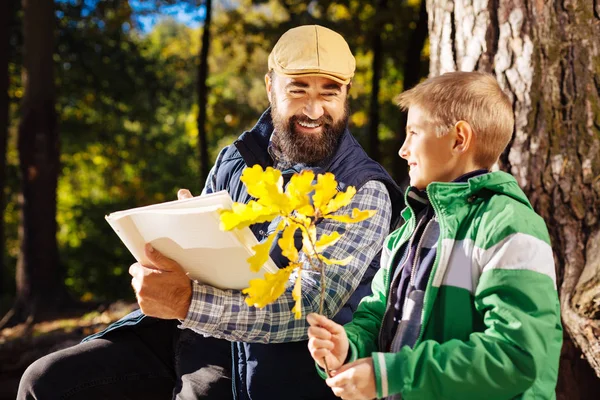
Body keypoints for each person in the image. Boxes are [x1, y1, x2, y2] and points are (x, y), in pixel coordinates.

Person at [18, 25, 403, 400]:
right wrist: (179, 239)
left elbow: (309, 311)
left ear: (347, 94)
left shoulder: (362, 190)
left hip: (276, 375)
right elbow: (200, 269)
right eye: (298, 90)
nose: (314, 109)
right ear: (271, 87)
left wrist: (187, 303)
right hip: (195, 347)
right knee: (47, 381)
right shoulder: (236, 158)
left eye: (329, 92)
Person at [307, 71, 563, 400]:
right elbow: (377, 315)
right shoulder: (407, 231)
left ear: (459, 139)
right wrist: (348, 345)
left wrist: (393, 375)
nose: (402, 149)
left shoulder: (508, 226)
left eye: (414, 133)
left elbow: (515, 356)